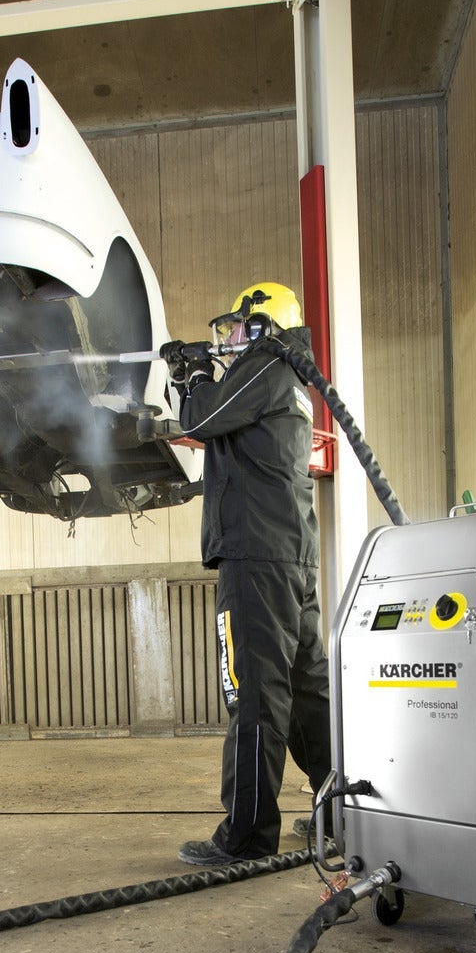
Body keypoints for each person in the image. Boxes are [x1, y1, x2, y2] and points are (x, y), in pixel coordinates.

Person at [161, 283, 332, 866]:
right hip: (288, 557)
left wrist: (192, 376)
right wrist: (196, 378)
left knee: (254, 693)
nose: (229, 336)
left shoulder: (264, 365)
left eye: (237, 325)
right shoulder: (288, 380)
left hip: (255, 556)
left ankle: (247, 838)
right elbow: (221, 425)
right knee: (306, 693)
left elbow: (203, 416)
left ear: (264, 326)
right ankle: (347, 815)